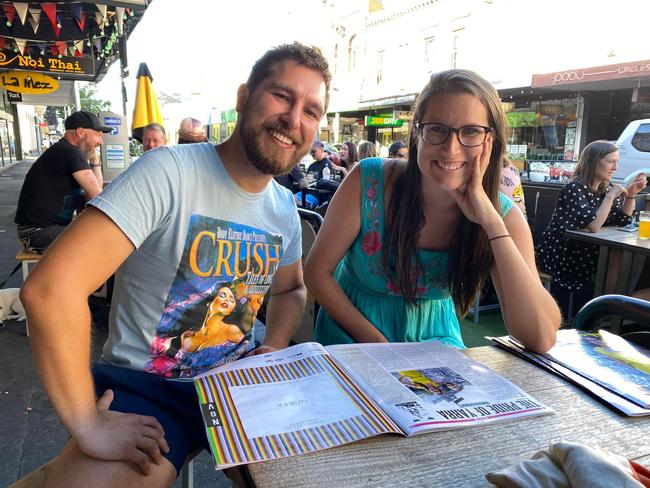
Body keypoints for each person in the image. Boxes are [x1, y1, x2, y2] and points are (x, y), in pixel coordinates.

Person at [20, 42, 331, 485]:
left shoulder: (283, 208)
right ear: (244, 98)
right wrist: (87, 424)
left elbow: (291, 289)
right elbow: (51, 290)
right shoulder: (167, 171)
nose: (294, 119)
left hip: (240, 386)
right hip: (151, 390)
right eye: (282, 96)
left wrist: (275, 346)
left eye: (311, 110)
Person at [304, 69, 559, 355]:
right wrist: (381, 346)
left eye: (471, 131)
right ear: (417, 133)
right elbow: (317, 273)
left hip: (435, 346)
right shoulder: (368, 180)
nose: (451, 148)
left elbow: (540, 337)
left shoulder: (504, 217)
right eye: (437, 129)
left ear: (491, 140)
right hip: (352, 336)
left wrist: (490, 221)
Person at [537, 140, 647, 317]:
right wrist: (611, 196)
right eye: (611, 161)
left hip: (587, 251)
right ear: (595, 161)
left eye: (617, 162)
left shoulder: (606, 189)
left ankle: (608, 308)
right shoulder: (574, 188)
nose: (616, 167)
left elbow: (623, 220)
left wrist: (631, 194)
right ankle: (605, 310)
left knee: (618, 254)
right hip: (562, 253)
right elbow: (594, 226)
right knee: (616, 255)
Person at [14, 110, 109, 251]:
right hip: (37, 233)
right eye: (98, 135)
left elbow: (92, 196)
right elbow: (97, 196)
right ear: (80, 132)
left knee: (99, 235)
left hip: (40, 230)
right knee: (103, 241)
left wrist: (94, 160)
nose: (100, 142)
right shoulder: (70, 152)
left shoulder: (63, 150)